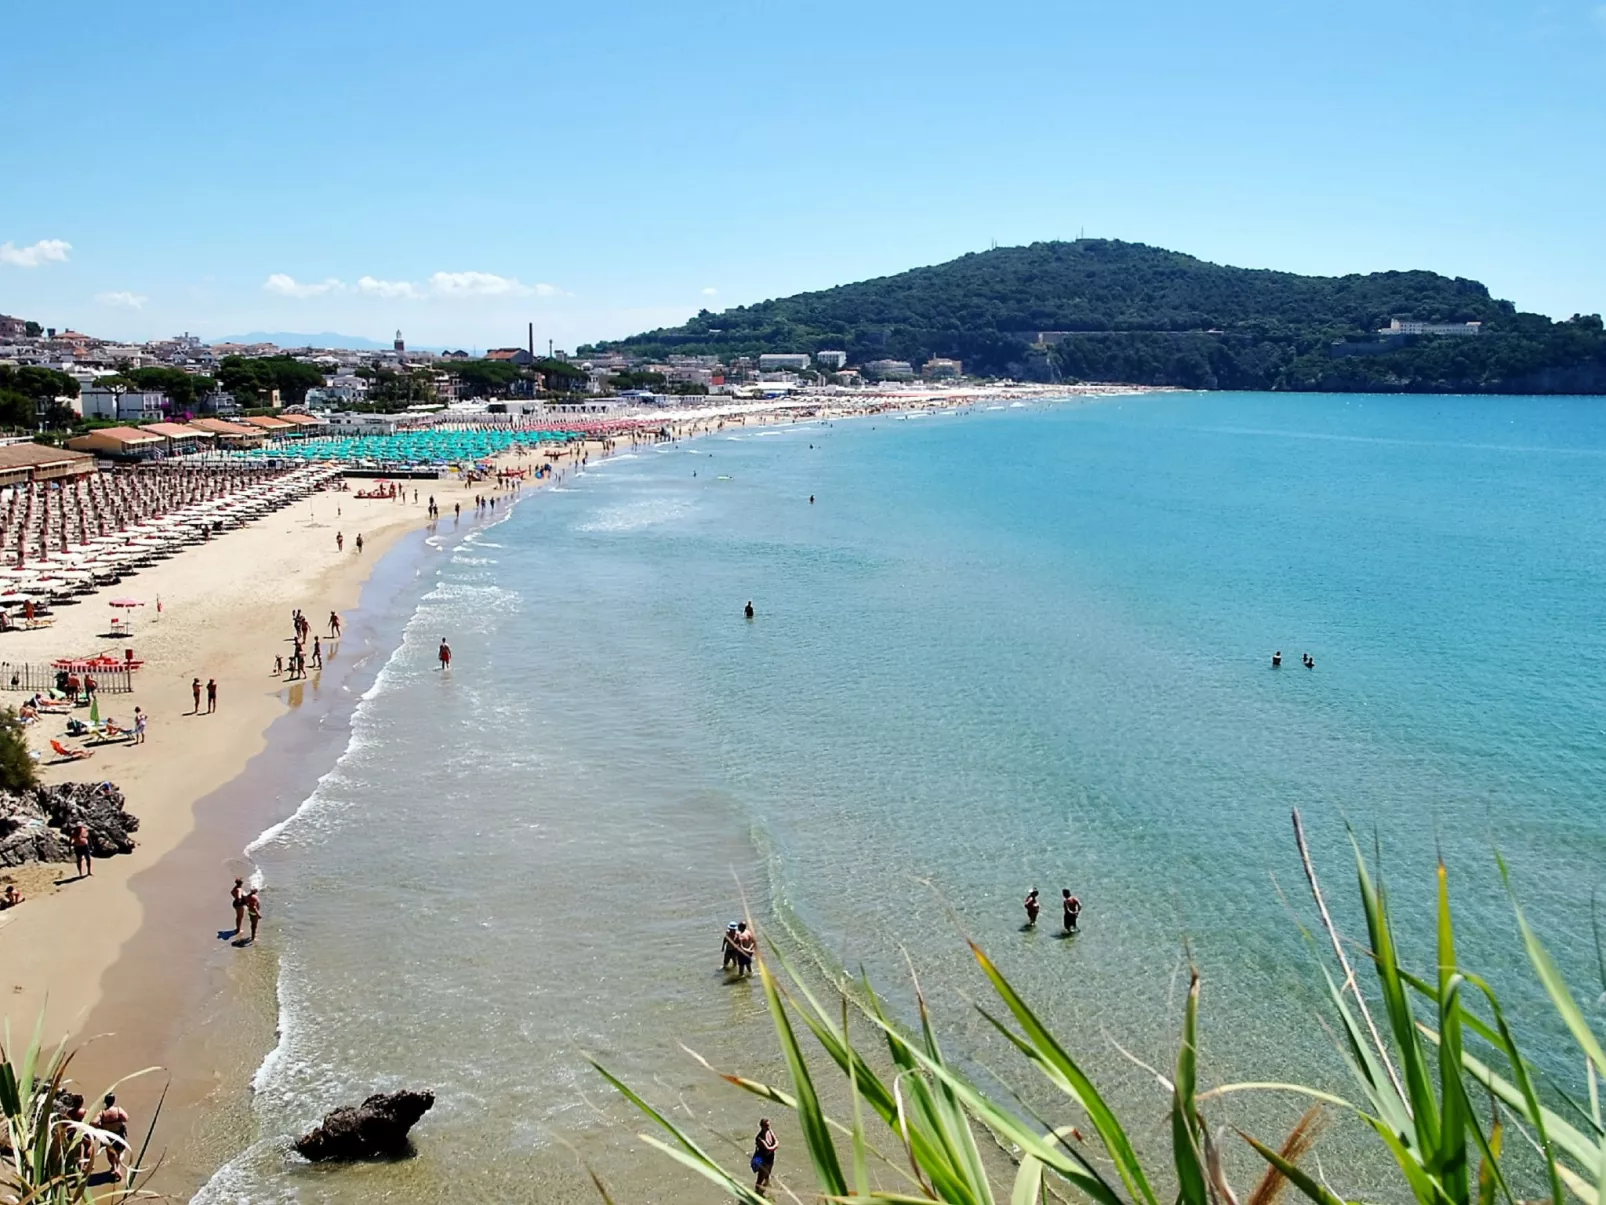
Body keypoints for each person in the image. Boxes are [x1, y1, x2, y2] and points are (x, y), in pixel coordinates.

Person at [95, 1094, 129, 1182]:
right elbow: (126, 1118)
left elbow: (93, 1122)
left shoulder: (102, 1113)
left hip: (107, 1135)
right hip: (118, 1134)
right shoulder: (118, 1110)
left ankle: (114, 1167)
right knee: (120, 1152)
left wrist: (101, 1127)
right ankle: (117, 1167)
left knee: (110, 1153)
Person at [751, 1118, 778, 1195]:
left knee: (768, 1174)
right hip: (764, 1160)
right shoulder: (759, 1138)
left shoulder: (770, 1131)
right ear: (762, 1127)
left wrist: (773, 1147)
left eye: (769, 1125)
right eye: (766, 1126)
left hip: (771, 1157)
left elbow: (776, 1142)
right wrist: (774, 1147)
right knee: (760, 1178)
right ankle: (756, 1194)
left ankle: (766, 1187)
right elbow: (768, 1148)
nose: (768, 1127)